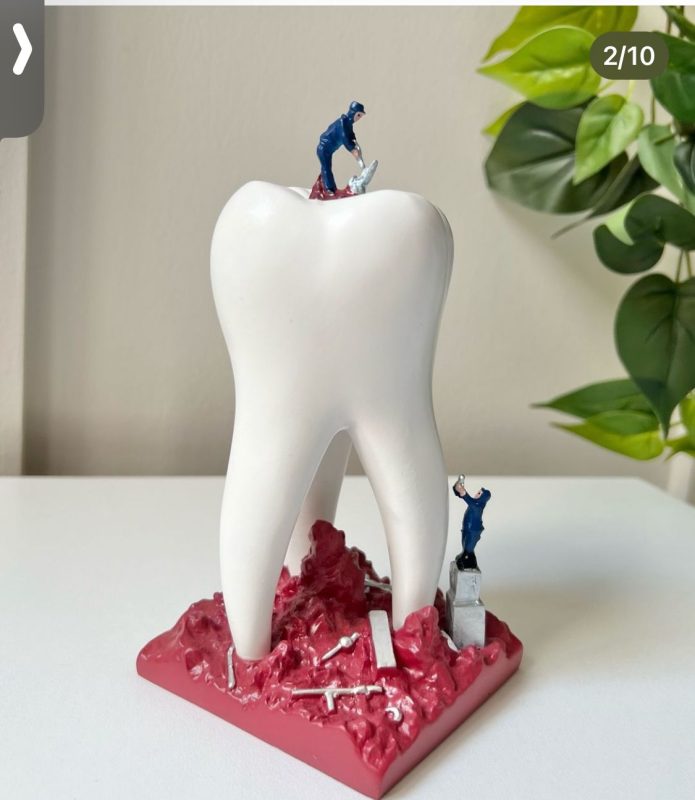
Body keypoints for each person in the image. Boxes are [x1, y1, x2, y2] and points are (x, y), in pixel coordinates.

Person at [316, 101, 366, 195]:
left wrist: (355, 142)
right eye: (359, 115)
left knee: (327, 167)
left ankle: (330, 188)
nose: (359, 118)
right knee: (326, 168)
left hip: (328, 149)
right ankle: (329, 189)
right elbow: (345, 138)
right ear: (352, 113)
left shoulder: (348, 124)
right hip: (323, 149)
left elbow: (351, 135)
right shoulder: (343, 123)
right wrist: (352, 149)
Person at [452, 478, 491, 571]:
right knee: (465, 544)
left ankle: (466, 560)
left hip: (473, 530)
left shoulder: (477, 505)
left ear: (482, 497)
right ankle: (467, 558)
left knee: (468, 546)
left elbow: (467, 498)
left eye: (479, 493)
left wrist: (462, 491)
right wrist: (458, 490)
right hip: (468, 528)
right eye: (478, 492)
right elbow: (464, 497)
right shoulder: (475, 503)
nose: (476, 494)